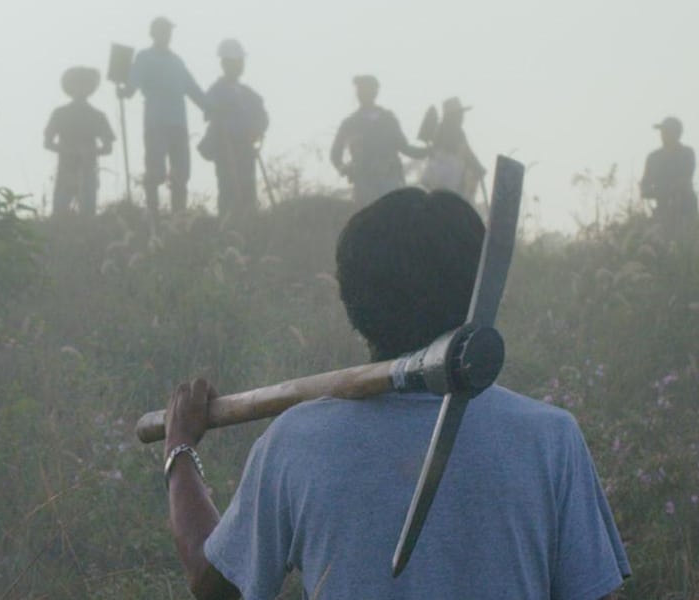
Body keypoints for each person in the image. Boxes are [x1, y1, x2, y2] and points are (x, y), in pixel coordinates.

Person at [162, 188, 631, 599]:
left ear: (351, 299)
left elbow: (211, 580)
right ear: (478, 290)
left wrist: (179, 450)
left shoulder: (295, 443)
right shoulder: (550, 438)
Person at [119, 17, 206, 214]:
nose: (166, 35)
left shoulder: (176, 61)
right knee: (155, 172)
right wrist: (124, 91)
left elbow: (192, 88)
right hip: (156, 123)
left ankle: (179, 216)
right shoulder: (144, 57)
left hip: (178, 124)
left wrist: (210, 108)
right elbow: (132, 84)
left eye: (168, 31)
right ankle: (153, 213)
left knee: (181, 174)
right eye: (162, 31)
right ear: (153, 33)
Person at [330, 75, 427, 205]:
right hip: (364, 181)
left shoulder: (388, 119)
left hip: (389, 177)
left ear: (375, 92)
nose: (362, 94)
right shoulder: (350, 123)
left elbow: (403, 147)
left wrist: (427, 151)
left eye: (366, 89)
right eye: (360, 90)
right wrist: (345, 169)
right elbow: (335, 154)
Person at [199, 39, 268, 219]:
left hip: (246, 148)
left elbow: (263, 115)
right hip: (225, 148)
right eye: (235, 62)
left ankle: (250, 225)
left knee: (248, 190)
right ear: (224, 64)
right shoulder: (216, 91)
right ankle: (227, 227)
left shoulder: (248, 93)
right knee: (228, 189)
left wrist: (258, 128)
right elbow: (208, 110)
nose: (239, 66)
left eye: (240, 62)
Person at [44, 66, 115, 216]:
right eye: (78, 84)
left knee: (88, 213)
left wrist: (90, 152)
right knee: (60, 213)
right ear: (70, 87)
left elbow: (108, 147)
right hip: (66, 167)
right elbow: (47, 142)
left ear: (91, 88)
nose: (81, 89)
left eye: (85, 85)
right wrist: (66, 150)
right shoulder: (60, 113)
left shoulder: (97, 116)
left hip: (89, 168)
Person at [420, 97, 485, 205]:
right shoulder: (456, 132)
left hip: (434, 178)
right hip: (449, 180)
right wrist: (479, 169)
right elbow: (467, 153)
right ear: (454, 116)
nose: (462, 117)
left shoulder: (440, 130)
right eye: (460, 114)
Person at [640, 116, 697, 234]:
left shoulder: (686, 153)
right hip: (662, 210)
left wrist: (661, 190)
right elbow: (645, 184)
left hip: (685, 209)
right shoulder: (653, 157)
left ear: (677, 133)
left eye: (667, 131)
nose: (663, 135)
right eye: (663, 131)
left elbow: (684, 180)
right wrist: (647, 191)